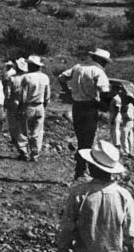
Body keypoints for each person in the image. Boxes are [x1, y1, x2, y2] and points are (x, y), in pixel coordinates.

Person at [59, 49, 112, 179]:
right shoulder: (99, 72)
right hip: (90, 107)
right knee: (87, 141)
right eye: (104, 62)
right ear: (101, 60)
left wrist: (67, 92)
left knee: (81, 138)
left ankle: (81, 169)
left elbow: (61, 77)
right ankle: (82, 171)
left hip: (77, 106)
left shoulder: (77, 67)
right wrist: (104, 105)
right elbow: (104, 92)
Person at [18, 55, 51, 162]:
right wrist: (44, 105)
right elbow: (47, 95)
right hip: (40, 105)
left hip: (28, 105)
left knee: (24, 130)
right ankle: (35, 154)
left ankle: (25, 153)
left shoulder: (27, 77)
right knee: (36, 132)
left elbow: (22, 95)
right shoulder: (45, 77)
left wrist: (20, 107)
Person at [121, 86, 134, 157]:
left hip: (127, 122)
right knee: (130, 137)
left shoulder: (127, 106)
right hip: (131, 123)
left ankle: (126, 152)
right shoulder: (132, 105)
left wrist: (124, 115)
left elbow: (128, 115)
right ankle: (131, 151)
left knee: (124, 137)